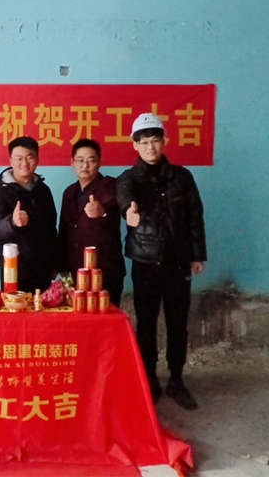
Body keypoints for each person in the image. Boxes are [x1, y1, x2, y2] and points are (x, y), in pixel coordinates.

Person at [116, 113, 207, 410]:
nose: (150, 147)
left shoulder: (182, 177)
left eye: (155, 141)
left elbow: (195, 217)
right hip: (145, 263)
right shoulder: (129, 179)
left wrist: (197, 254)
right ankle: (150, 378)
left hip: (178, 262)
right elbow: (124, 199)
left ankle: (177, 380)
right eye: (143, 142)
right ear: (134, 146)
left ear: (165, 141)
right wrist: (128, 213)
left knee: (178, 323)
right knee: (146, 324)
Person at [58, 139, 126, 305]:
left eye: (91, 160)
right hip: (76, 270)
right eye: (80, 160)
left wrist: (102, 212)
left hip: (105, 270)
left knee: (106, 317)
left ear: (99, 162)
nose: (85, 166)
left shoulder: (111, 186)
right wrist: (61, 265)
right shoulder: (69, 192)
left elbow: (113, 206)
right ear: (72, 163)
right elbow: (64, 230)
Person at [0, 136, 57, 294]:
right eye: (19, 158)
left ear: (37, 159)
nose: (24, 163)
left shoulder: (44, 190)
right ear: (11, 160)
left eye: (29, 157)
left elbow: (52, 229)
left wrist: (55, 263)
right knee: (15, 308)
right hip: (14, 267)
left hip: (43, 267)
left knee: (43, 308)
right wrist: (11, 222)